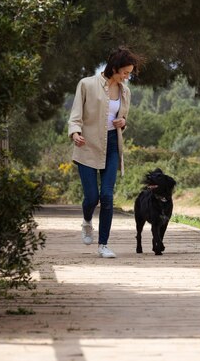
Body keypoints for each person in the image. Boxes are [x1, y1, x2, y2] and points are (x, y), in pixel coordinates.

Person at [67, 46, 143, 258]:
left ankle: (103, 245)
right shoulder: (86, 84)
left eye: (129, 73)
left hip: (112, 145)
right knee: (91, 197)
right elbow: (75, 116)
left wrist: (123, 122)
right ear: (114, 68)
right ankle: (87, 221)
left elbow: (122, 118)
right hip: (87, 145)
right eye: (125, 73)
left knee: (107, 196)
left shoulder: (125, 92)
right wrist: (75, 133)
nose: (127, 77)